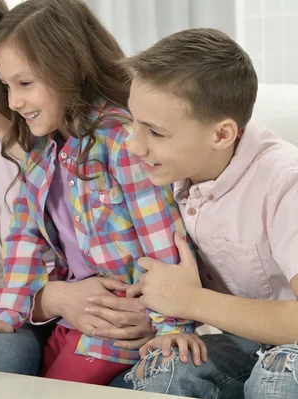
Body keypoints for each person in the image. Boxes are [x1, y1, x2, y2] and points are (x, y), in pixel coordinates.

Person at [0, 0, 159, 376]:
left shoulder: (104, 134)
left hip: (121, 305)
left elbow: (166, 232)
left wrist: (163, 312)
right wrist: (50, 300)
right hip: (32, 310)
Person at [0, 0, 200, 385]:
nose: (14, 101)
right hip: (72, 320)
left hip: (118, 323)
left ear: (67, 70)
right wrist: (7, 316)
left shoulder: (122, 140)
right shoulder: (40, 151)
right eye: (6, 86)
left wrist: (172, 325)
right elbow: (25, 237)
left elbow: (162, 239)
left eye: (25, 84)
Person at [113, 28, 298, 398]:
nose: (133, 144)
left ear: (221, 134)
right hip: (241, 343)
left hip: (288, 347)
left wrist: (190, 300)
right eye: (135, 122)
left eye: (155, 132)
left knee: (274, 380)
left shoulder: (285, 182)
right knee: (162, 369)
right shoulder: (166, 171)